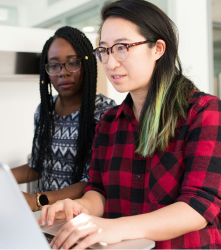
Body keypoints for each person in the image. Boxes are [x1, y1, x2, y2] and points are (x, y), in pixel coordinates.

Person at [38, 1, 221, 249]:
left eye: (122, 48)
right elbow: (99, 191)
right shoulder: (109, 122)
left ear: (157, 48)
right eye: (104, 50)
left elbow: (198, 206)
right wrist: (80, 206)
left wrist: (115, 227)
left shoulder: (204, 112)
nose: (111, 63)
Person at [12, 26, 116, 212]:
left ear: (87, 64)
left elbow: (92, 182)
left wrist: (37, 200)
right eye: (54, 65)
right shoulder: (44, 111)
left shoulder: (104, 113)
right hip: (48, 218)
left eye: (73, 63)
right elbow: (37, 166)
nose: (63, 72)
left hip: (83, 218)